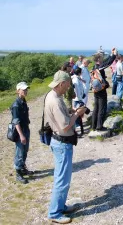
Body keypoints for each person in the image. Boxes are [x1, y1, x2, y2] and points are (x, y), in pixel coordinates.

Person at [44, 70, 87, 224]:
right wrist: (78, 114)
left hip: (59, 142)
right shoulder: (55, 100)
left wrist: (71, 111)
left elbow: (60, 115)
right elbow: (64, 126)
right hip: (62, 143)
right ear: (61, 84)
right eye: (68, 85)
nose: (68, 88)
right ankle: (54, 213)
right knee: (62, 180)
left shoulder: (52, 95)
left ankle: (60, 206)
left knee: (61, 178)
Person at [11, 82, 32, 184]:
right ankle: (18, 173)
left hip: (26, 129)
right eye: (23, 90)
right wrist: (21, 135)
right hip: (21, 131)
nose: (26, 91)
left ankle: (23, 168)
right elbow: (16, 121)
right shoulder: (16, 105)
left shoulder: (23, 101)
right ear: (18, 91)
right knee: (19, 152)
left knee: (25, 150)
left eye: (26, 89)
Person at [71, 68, 86, 137]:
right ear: (79, 73)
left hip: (78, 98)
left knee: (78, 113)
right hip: (77, 99)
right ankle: (78, 127)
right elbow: (77, 90)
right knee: (78, 113)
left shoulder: (77, 78)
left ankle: (78, 126)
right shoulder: (76, 80)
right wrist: (80, 99)